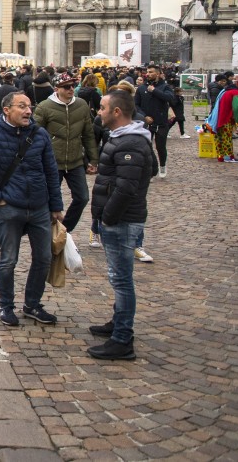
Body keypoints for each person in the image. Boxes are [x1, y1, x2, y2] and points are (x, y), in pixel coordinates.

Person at [0, 92, 64, 328]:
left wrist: (56, 205)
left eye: (29, 107)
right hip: (9, 207)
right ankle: (6, 305)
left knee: (43, 258)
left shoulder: (39, 134)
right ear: (6, 109)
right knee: (8, 260)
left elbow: (51, 172)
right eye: (21, 107)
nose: (28, 111)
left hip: (40, 206)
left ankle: (32, 304)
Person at [88, 89, 156, 360]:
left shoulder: (129, 142)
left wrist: (107, 218)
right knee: (119, 278)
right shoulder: (123, 138)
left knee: (122, 280)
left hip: (122, 220)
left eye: (103, 108)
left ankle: (122, 339)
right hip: (119, 218)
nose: (99, 112)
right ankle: (118, 324)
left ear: (117, 112)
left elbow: (126, 188)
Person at [33, 74, 98, 236]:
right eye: (66, 87)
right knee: (48, 200)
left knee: (82, 197)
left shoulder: (81, 105)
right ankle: (46, 232)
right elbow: (33, 135)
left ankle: (65, 230)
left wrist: (93, 159)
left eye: (72, 86)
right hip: (52, 161)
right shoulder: (44, 107)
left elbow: (88, 134)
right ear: (57, 89)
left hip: (75, 160)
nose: (71, 89)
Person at [134, 66, 175, 179]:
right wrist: (144, 116)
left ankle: (162, 165)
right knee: (147, 147)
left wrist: (155, 91)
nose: (148, 74)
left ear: (157, 74)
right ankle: (151, 170)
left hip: (161, 122)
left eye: (151, 72)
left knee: (161, 147)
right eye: (147, 72)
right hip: (147, 122)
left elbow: (170, 98)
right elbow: (136, 104)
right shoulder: (142, 88)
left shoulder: (165, 87)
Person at [210, 79, 238, 162]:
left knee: (219, 138)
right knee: (226, 138)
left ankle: (220, 156)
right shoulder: (236, 93)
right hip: (226, 119)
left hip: (219, 118)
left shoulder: (225, 92)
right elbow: (237, 108)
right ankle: (229, 157)